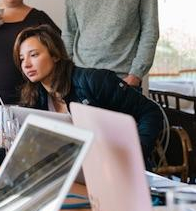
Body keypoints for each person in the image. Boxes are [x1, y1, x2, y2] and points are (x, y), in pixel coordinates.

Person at [14, 24, 163, 167]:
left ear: (55, 55)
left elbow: (150, 112)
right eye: (21, 58)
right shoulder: (34, 97)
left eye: (33, 55)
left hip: (118, 167)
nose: (26, 64)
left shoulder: (94, 81)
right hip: (76, 170)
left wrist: (136, 152)